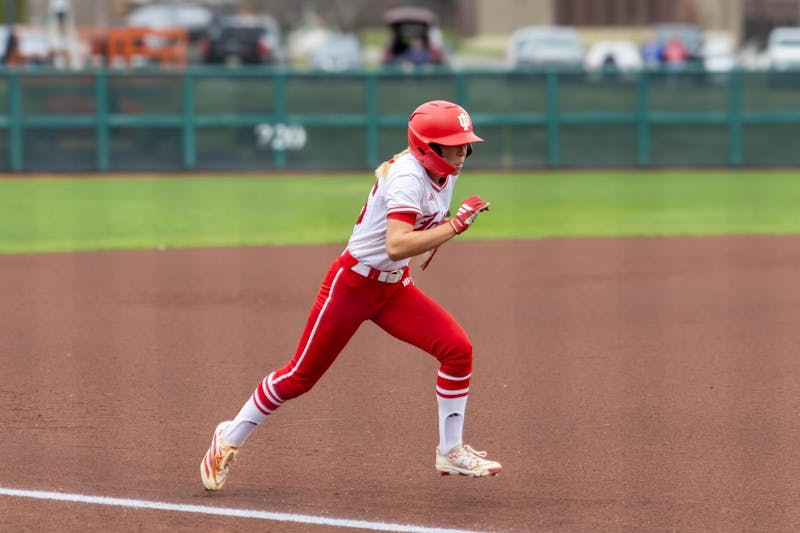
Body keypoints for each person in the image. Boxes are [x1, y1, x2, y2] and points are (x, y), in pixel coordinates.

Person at [200, 100, 502, 490]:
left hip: (393, 288)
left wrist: (441, 229)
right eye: (452, 143)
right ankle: (228, 438)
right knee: (299, 377)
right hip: (353, 286)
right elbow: (396, 245)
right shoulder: (409, 177)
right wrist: (455, 225)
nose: (462, 151)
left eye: (464, 142)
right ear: (427, 146)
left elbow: (404, 246)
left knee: (457, 350)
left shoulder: (443, 171)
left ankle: (451, 451)